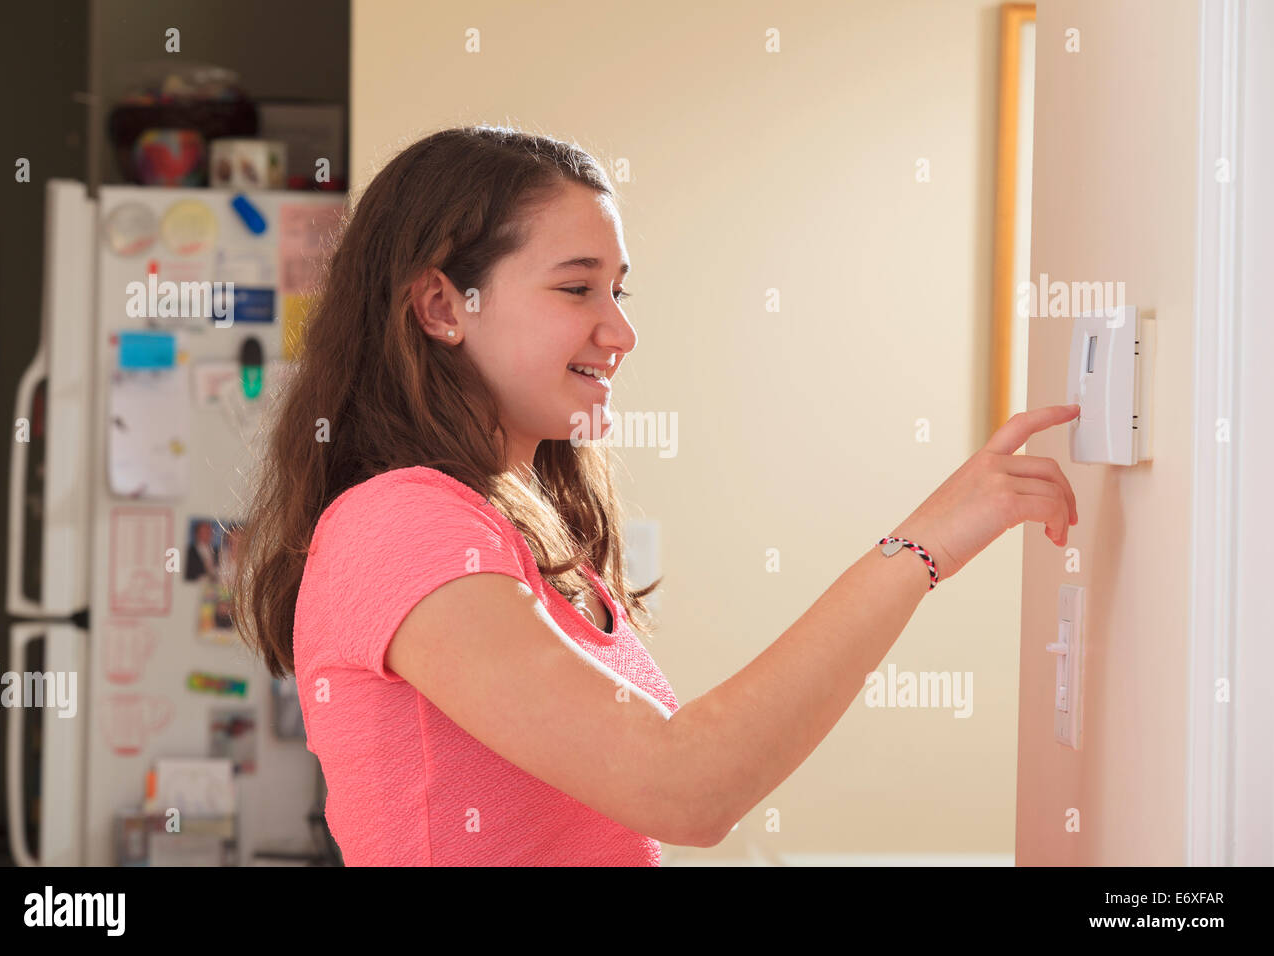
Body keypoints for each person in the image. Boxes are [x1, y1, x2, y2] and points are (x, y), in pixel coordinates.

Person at [226, 125, 1079, 866]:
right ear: (443, 305)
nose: (621, 331)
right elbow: (685, 786)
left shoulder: (523, 529)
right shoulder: (399, 524)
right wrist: (921, 549)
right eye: (576, 287)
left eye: (618, 289)